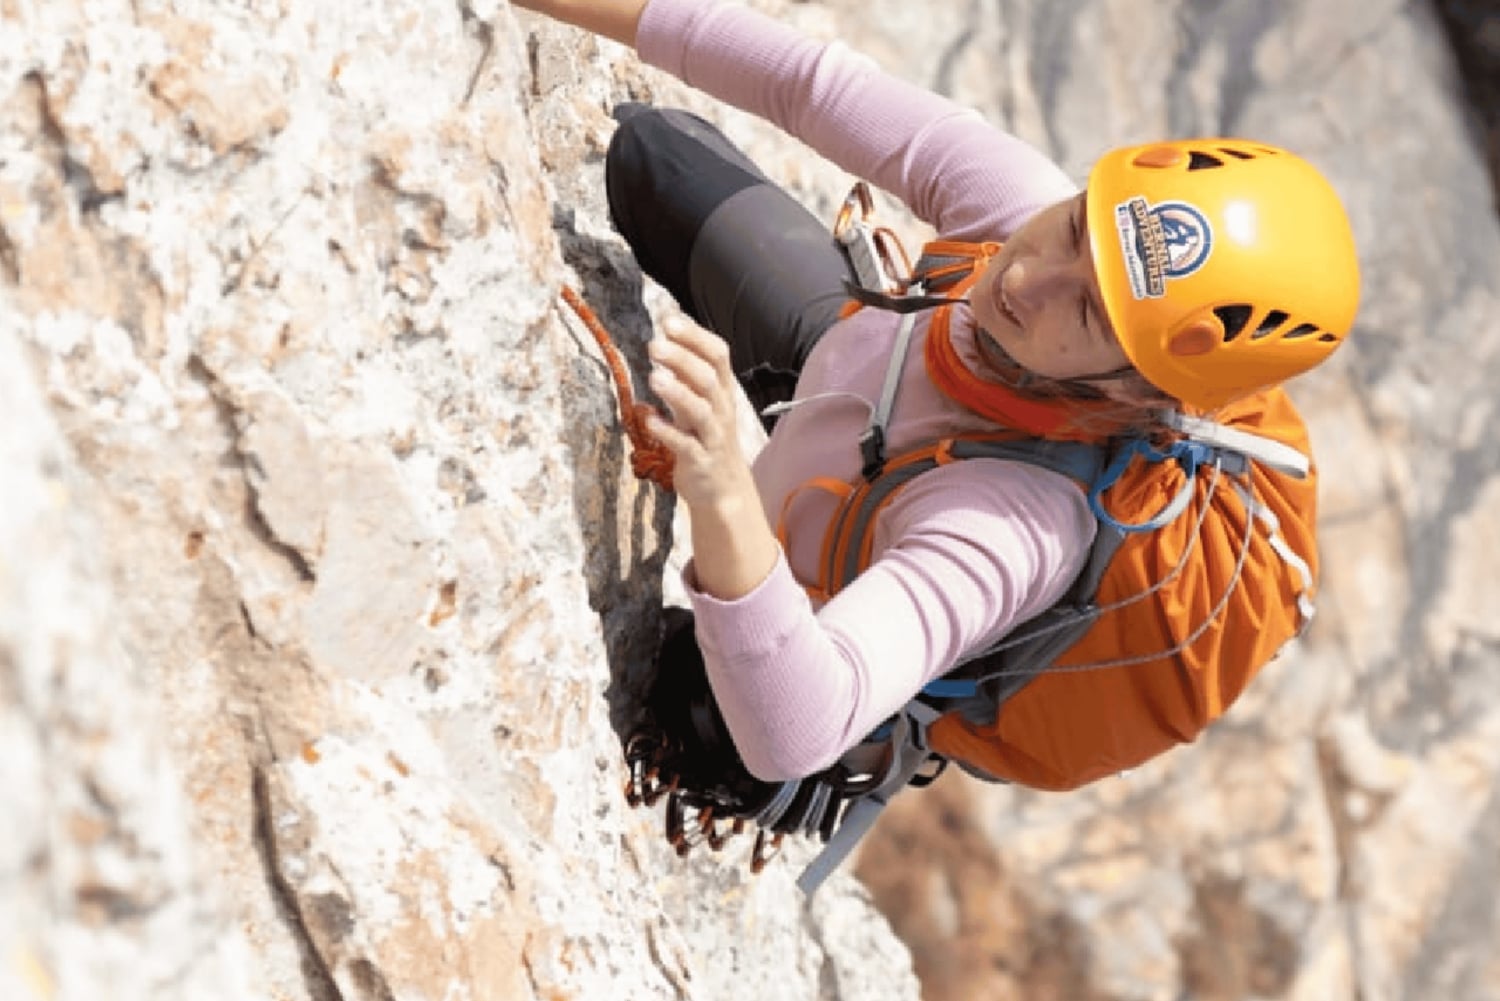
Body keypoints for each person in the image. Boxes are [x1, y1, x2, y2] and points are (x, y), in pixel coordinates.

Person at [514, 0, 1360, 803]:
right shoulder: (1022, 206)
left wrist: (726, 500)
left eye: (1090, 312)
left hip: (850, 574)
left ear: (1135, 388)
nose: (1026, 277)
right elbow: (809, 81)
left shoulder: (1015, 520)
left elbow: (794, 727)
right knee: (657, 156)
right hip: (856, 392)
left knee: (708, 718)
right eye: (1075, 230)